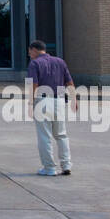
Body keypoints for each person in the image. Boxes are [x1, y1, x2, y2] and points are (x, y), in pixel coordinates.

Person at [26, 39, 76, 176]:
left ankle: (49, 168)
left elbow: (33, 84)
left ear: (34, 50)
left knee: (45, 136)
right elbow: (69, 82)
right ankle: (66, 165)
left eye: (30, 52)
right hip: (59, 100)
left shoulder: (34, 63)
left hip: (42, 100)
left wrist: (30, 103)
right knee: (61, 135)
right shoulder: (60, 62)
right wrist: (74, 99)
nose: (29, 55)